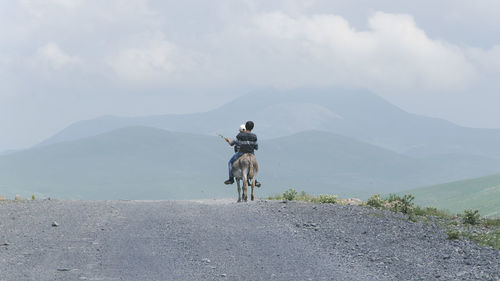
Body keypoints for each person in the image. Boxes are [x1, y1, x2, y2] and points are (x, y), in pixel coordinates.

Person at [224, 121, 261, 187]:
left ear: (246, 126)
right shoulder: (254, 136)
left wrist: (228, 141)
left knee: (230, 162)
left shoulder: (240, 135)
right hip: (251, 154)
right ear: (252, 128)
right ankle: (255, 180)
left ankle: (231, 178)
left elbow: (232, 144)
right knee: (254, 165)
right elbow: (256, 147)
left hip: (241, 153)